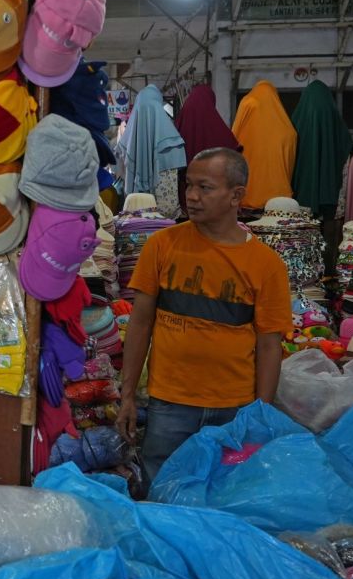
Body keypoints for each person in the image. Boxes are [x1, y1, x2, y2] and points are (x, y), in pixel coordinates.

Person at [115, 147, 290, 484]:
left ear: (236, 195)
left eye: (204, 187)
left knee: (225, 495)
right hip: (170, 401)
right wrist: (126, 396)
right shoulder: (162, 246)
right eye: (189, 186)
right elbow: (140, 323)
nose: (191, 196)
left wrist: (259, 414)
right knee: (163, 490)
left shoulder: (266, 265)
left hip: (234, 407)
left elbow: (270, 346)